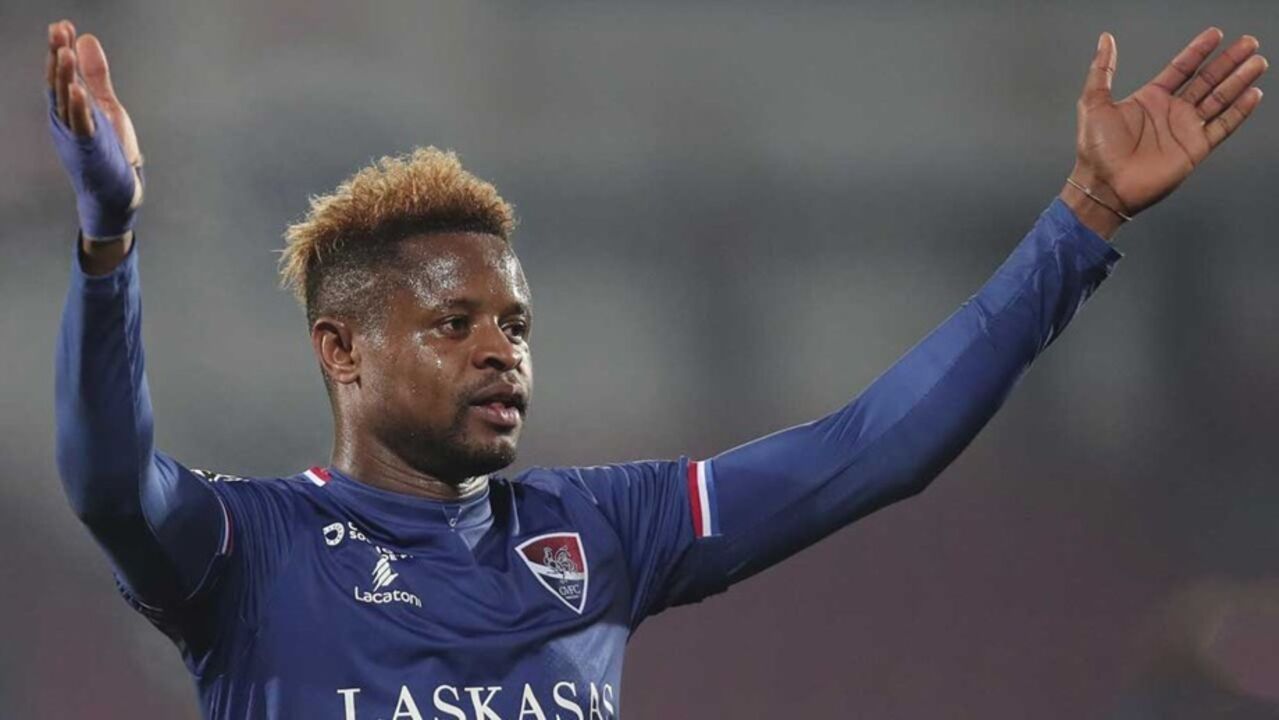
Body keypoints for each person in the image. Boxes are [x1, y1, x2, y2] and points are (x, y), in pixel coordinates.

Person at [47, 16, 1267, 720]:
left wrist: (1083, 217)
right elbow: (109, 481)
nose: (500, 349)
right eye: (454, 323)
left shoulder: (597, 530)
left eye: (516, 323)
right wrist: (108, 250)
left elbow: (871, 449)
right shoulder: (249, 552)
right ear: (342, 349)